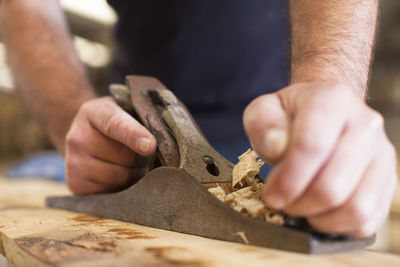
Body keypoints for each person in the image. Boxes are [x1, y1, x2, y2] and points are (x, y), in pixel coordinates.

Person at [0, 0, 397, 238]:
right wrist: (79, 125)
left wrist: (326, 88)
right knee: (33, 171)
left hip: (276, 135)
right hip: (140, 150)